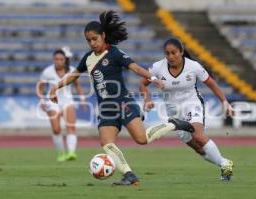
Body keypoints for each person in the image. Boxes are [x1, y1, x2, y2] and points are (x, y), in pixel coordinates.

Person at [49, 11, 194, 186]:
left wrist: (154, 78)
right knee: (106, 143)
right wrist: (56, 87)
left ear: (103, 36)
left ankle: (174, 124)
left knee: (141, 139)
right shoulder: (88, 58)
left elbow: (136, 68)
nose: (92, 43)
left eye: (95, 38)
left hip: (123, 102)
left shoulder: (115, 53)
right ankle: (129, 175)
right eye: (88, 40)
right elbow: (73, 76)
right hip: (106, 108)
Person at [139, 38, 235, 181]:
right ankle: (225, 163)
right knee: (198, 148)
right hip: (173, 112)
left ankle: (224, 165)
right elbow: (142, 83)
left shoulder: (194, 66)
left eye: (174, 53)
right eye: (167, 54)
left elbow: (212, 84)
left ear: (182, 52)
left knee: (198, 136)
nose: (170, 57)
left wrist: (225, 102)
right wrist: (147, 100)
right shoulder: (158, 67)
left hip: (192, 103)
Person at [37, 47, 86, 162]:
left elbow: (77, 85)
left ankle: (71, 153)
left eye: (61, 59)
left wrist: (82, 98)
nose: (58, 61)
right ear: (53, 60)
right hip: (52, 101)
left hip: (67, 100)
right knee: (56, 129)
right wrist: (42, 102)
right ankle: (61, 153)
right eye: (56, 59)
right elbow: (40, 87)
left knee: (71, 126)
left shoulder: (72, 70)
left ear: (65, 60)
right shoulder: (47, 72)